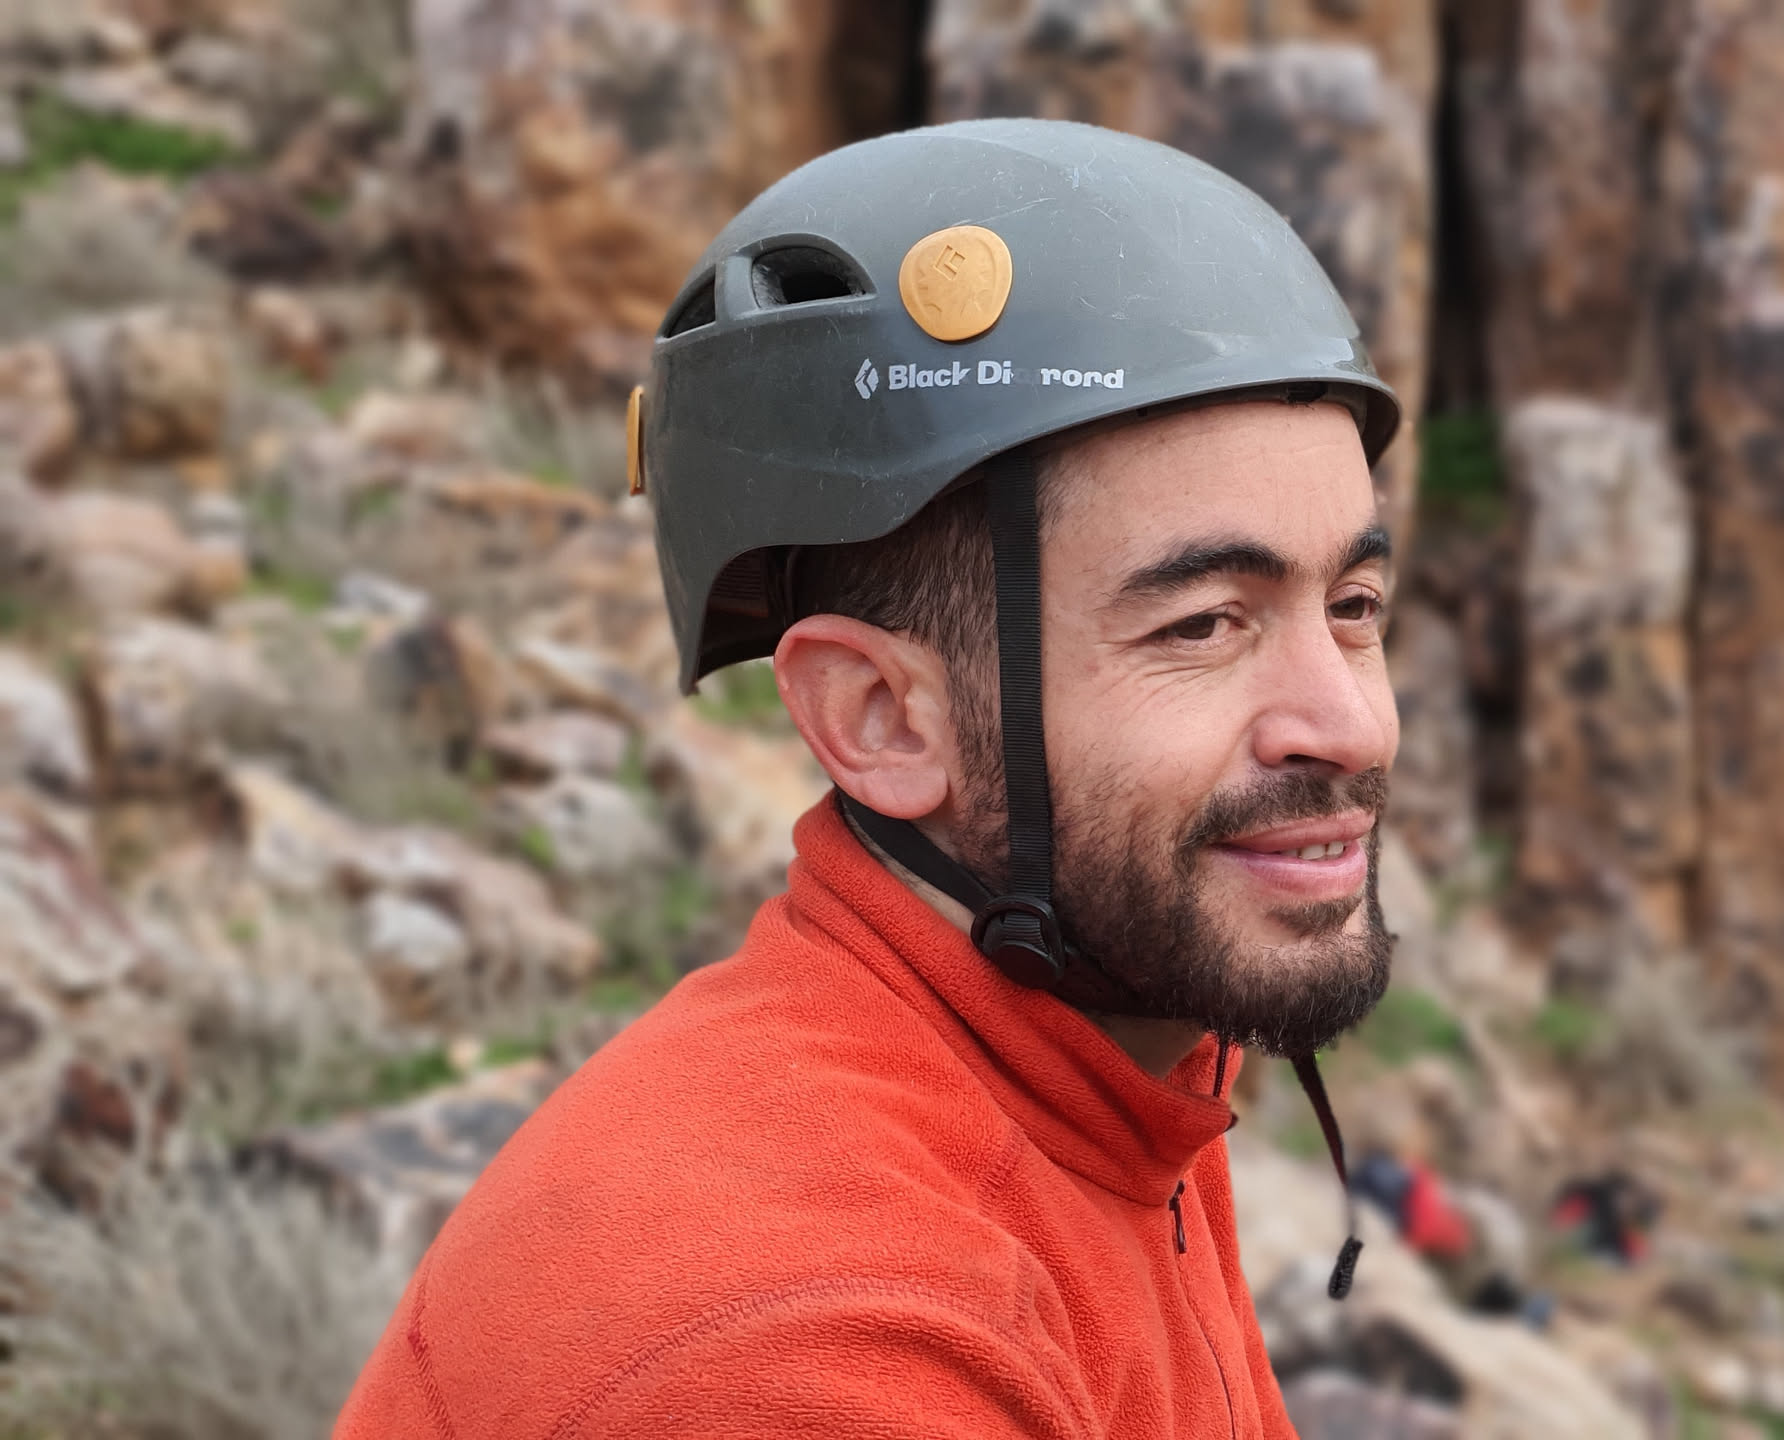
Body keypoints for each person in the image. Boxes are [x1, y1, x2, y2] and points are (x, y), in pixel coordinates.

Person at [336, 119, 1406, 1438]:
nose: (1348, 723)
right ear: (884, 720)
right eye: (1202, 626)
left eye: (1353, 606)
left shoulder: (1101, 1070)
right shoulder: (810, 1338)